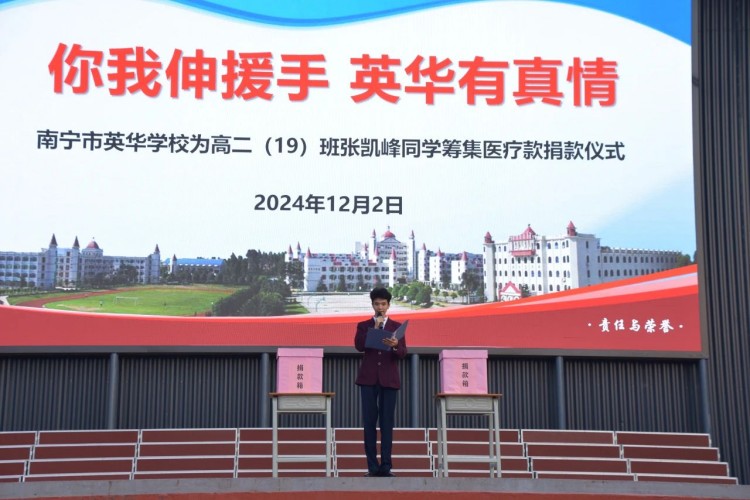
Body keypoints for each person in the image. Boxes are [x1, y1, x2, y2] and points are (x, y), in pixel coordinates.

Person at [354, 287, 407, 477]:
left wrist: (395, 346)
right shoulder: (363, 325)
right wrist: (375, 329)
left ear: (389, 305)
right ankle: (372, 467)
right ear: (372, 305)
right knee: (369, 423)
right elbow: (359, 346)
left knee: (386, 423)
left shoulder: (396, 327)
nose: (380, 307)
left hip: (389, 380)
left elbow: (403, 353)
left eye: (383, 304)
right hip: (368, 379)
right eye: (377, 304)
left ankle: (386, 466)